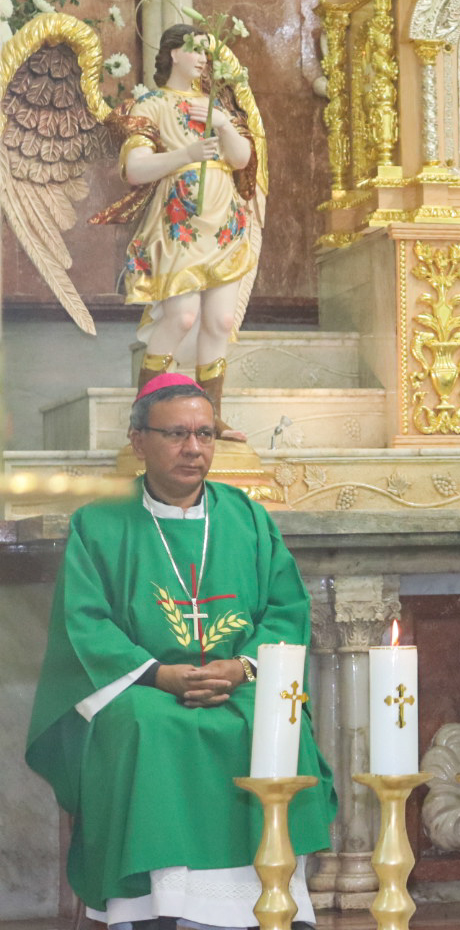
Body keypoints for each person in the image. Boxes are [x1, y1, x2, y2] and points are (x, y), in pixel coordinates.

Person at [26, 374, 336, 927]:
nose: (194, 448)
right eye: (176, 434)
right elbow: (84, 623)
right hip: (144, 686)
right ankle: (160, 907)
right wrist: (159, 675)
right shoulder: (99, 523)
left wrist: (241, 666)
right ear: (138, 440)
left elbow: (287, 610)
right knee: (145, 725)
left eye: (206, 434)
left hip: (239, 681)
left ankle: (266, 897)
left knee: (271, 720)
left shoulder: (247, 518)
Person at [101, 23, 261, 440]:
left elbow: (242, 160)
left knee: (221, 318)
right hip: (180, 221)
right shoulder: (151, 104)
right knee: (182, 315)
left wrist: (223, 124)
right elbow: (135, 169)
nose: (203, 59)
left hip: (224, 220)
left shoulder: (217, 105)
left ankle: (212, 418)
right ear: (172, 52)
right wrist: (187, 153)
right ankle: (143, 415)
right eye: (195, 50)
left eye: (208, 52)